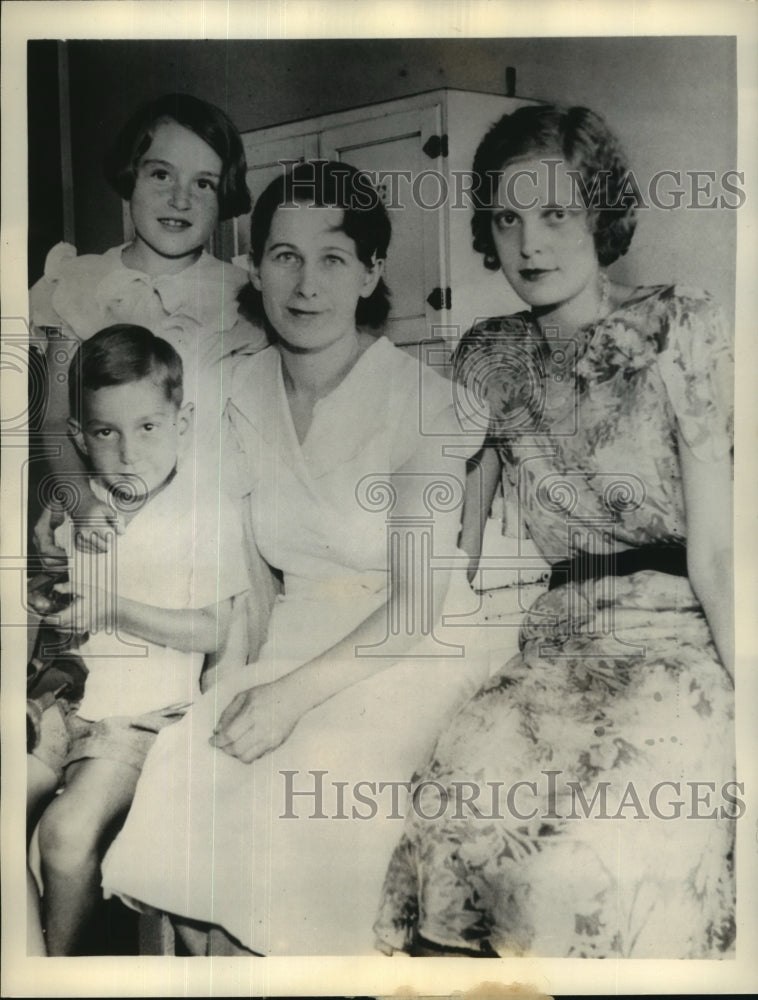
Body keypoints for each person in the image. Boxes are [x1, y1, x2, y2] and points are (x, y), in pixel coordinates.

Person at [100, 161, 493, 956]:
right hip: (293, 638)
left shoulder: (420, 399)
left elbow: (418, 604)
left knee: (303, 788)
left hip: (409, 649)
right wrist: (232, 673)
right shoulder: (236, 390)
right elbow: (248, 561)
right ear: (255, 265)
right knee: (188, 766)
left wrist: (287, 698)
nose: (305, 284)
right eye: (284, 256)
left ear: (371, 271)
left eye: (332, 258)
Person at [373, 104, 736, 959]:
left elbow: (719, 554)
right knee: (452, 819)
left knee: (581, 866)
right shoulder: (486, 353)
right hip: (552, 644)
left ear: (601, 215)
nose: (529, 244)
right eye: (508, 218)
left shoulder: (682, 324)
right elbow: (452, 547)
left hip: (675, 642)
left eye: (556, 215)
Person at [29, 91, 275, 664]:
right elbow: (55, 422)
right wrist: (73, 500)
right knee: (103, 694)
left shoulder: (246, 294)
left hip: (216, 544)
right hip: (113, 528)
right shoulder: (79, 284)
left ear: (225, 195)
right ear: (130, 176)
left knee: (213, 713)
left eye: (204, 183)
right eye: (161, 172)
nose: (179, 198)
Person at [30, 325, 249, 955]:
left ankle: (58, 974)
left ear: (183, 423)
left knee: (66, 834)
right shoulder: (83, 508)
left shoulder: (205, 513)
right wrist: (47, 586)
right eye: (107, 432)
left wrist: (113, 609)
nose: (129, 452)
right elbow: (61, 624)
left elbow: (212, 629)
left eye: (148, 427)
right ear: (80, 438)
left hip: (143, 720)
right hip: (65, 706)